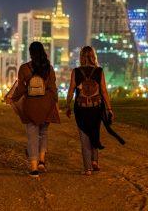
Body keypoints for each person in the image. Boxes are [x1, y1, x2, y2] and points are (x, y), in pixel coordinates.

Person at [9, 41, 60, 178]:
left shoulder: (24, 68)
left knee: (32, 135)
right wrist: (55, 101)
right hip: (46, 104)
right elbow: (53, 88)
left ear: (31, 53)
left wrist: (12, 98)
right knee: (43, 132)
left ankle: (33, 168)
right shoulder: (48, 68)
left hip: (30, 105)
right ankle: (42, 162)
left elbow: (20, 89)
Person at [65, 46, 114, 176]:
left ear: (81, 57)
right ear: (93, 56)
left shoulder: (76, 71)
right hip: (96, 107)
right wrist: (109, 108)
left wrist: (68, 105)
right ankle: (95, 162)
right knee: (94, 132)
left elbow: (70, 91)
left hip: (81, 108)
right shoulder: (99, 71)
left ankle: (87, 168)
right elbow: (103, 91)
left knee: (84, 136)